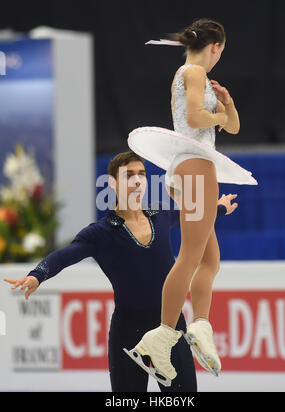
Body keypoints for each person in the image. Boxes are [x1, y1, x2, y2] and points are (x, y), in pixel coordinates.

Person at [3, 151, 237, 392]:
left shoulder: (160, 215)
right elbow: (64, 255)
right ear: (112, 184)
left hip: (170, 326)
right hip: (128, 332)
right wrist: (37, 274)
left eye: (142, 175)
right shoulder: (100, 233)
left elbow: (192, 215)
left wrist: (219, 207)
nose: (137, 181)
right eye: (129, 175)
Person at [124, 18, 258, 385]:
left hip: (190, 168)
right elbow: (197, 117)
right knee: (190, 257)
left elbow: (232, 128)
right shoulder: (194, 72)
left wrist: (227, 105)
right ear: (215, 47)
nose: (218, 60)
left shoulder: (189, 74)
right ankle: (161, 337)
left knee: (209, 259)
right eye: (221, 53)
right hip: (196, 168)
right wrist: (216, 114)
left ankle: (199, 326)